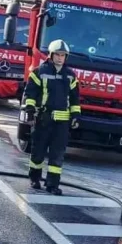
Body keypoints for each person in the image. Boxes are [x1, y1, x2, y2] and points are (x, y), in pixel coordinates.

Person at [21, 40, 81, 194]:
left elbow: (75, 98)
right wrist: (30, 109)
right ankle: (34, 178)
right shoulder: (39, 72)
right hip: (43, 119)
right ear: (51, 55)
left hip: (62, 123)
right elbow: (30, 93)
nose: (60, 58)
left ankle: (52, 185)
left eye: (63, 55)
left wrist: (75, 116)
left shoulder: (70, 76)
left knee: (57, 154)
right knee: (38, 151)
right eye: (58, 55)